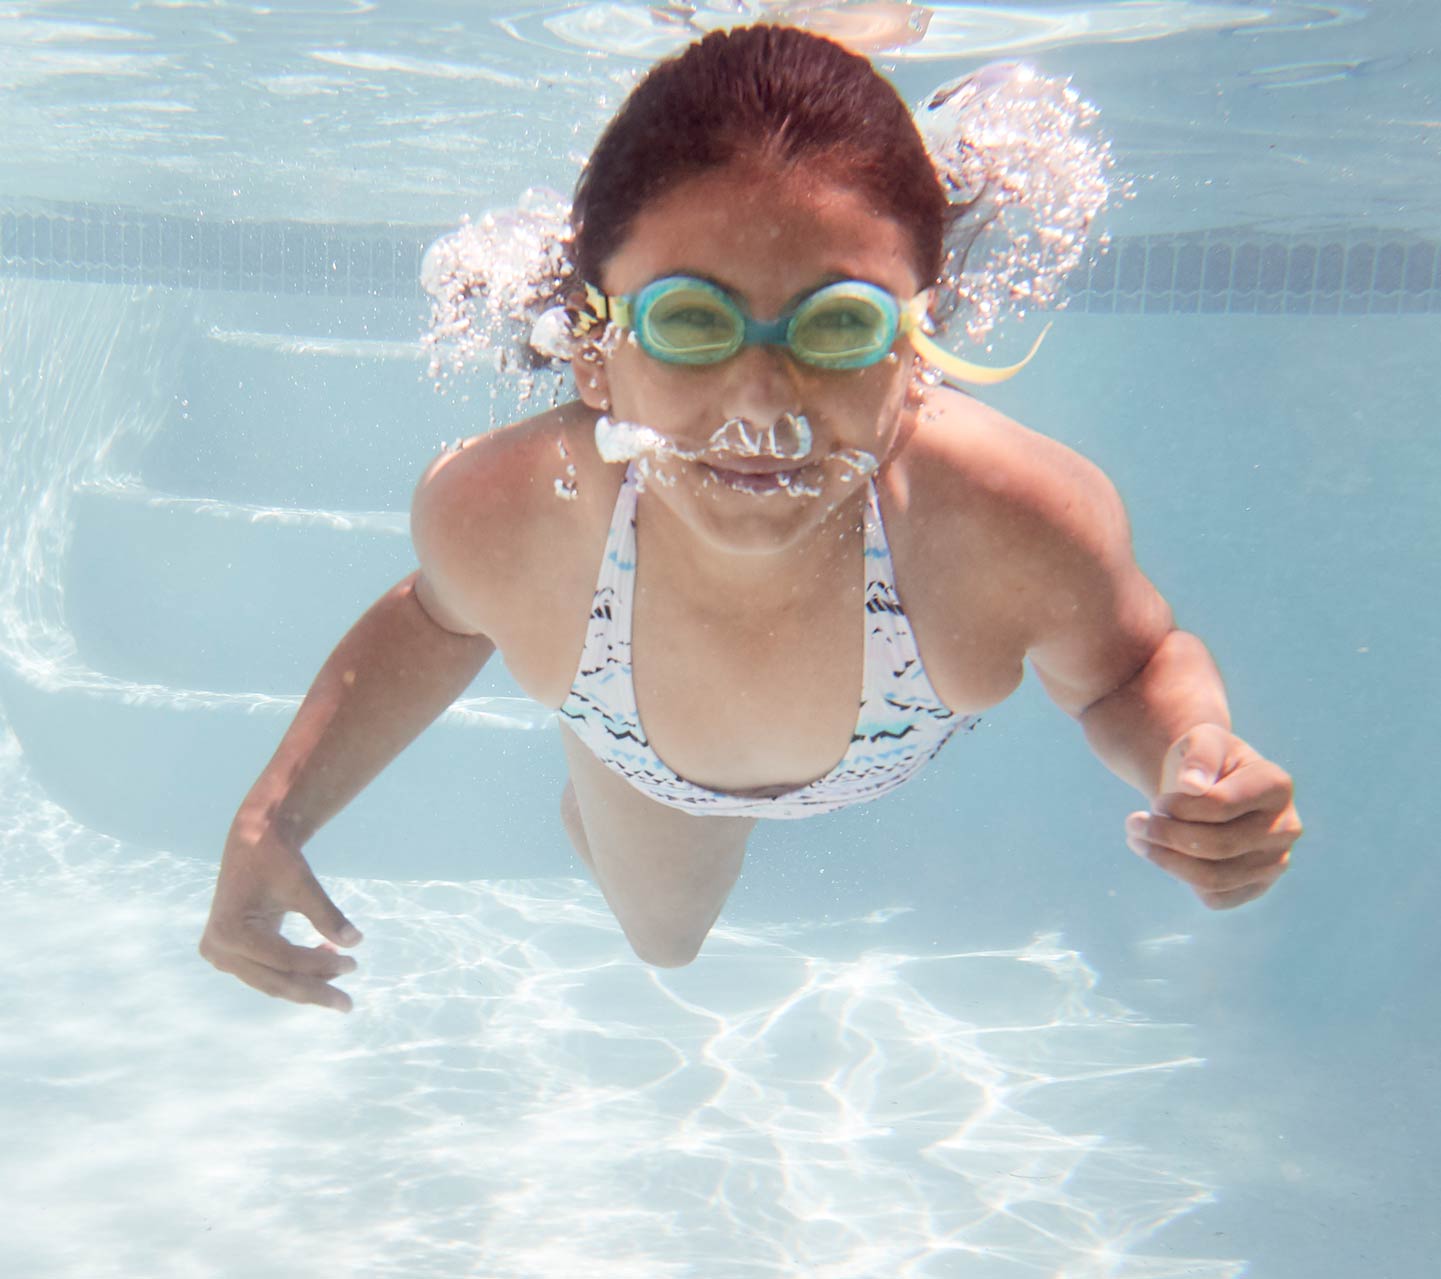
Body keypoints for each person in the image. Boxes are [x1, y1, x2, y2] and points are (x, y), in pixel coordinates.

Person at [199, 25, 1302, 1013]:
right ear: (595, 355)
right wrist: (272, 814)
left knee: (665, 940)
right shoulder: (514, 511)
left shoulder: (1015, 516)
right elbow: (438, 623)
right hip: (651, 762)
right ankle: (591, 780)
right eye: (689, 321)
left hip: (847, 719)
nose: (763, 408)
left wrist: (1188, 754)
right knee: (666, 943)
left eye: (837, 326)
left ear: (916, 359)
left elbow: (1128, 666)